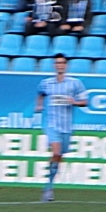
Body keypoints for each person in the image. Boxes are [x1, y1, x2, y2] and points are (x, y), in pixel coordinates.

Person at [34, 54, 89, 202]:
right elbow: (40, 94)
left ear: (66, 66)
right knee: (56, 151)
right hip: (52, 125)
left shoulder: (74, 83)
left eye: (62, 63)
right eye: (57, 63)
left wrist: (75, 102)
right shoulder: (47, 83)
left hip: (66, 126)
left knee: (59, 156)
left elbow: (85, 101)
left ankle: (50, 181)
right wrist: (39, 105)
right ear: (54, 65)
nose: (60, 65)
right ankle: (48, 188)